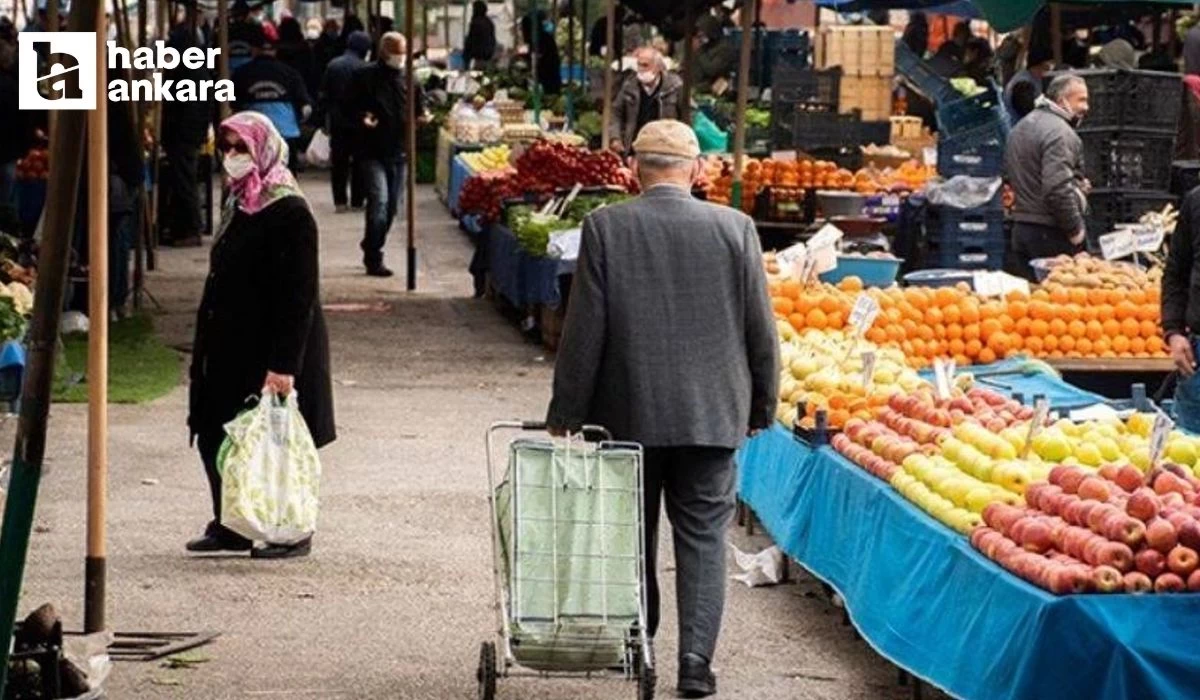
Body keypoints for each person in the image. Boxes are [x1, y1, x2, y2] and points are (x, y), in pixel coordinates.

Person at [545, 119, 778, 700]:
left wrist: (567, 409)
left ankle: (639, 644)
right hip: (712, 415)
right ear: (698, 170)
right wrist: (762, 403)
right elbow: (761, 329)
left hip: (627, 412)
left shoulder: (605, 226)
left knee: (632, 533)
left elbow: (584, 330)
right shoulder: (737, 229)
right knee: (702, 540)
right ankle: (695, 663)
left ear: (633, 171)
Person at [187, 112, 335, 559]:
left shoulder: (288, 209)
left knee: (274, 442)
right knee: (219, 431)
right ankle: (232, 522)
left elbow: (299, 295)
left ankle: (290, 529)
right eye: (226, 148)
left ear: (264, 151)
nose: (231, 158)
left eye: (241, 149)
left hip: (271, 345)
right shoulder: (239, 201)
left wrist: (284, 365)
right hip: (230, 340)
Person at [346, 31, 425, 277]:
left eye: (403, 53)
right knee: (379, 202)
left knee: (391, 208)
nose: (399, 58)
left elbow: (419, 110)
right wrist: (363, 118)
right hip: (371, 151)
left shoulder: (411, 80)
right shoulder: (364, 77)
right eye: (395, 53)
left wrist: (421, 119)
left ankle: (371, 243)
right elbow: (348, 107)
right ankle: (374, 255)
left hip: (399, 151)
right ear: (383, 52)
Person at [1003, 74, 1090, 281]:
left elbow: (1018, 175)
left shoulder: (1021, 127)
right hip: (1050, 232)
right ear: (1062, 101)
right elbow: (1056, 189)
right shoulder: (1061, 133)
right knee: (1056, 304)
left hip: (1022, 228)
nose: (1087, 107)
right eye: (1082, 100)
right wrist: (1075, 230)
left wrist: (1076, 186)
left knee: (1030, 305)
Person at [232, 23, 312, 172]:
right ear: (275, 51)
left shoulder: (241, 73)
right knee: (286, 177)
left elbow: (233, 104)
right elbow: (306, 107)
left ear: (254, 50)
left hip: (254, 134)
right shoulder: (291, 73)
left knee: (256, 175)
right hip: (286, 132)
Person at [160, 23, 212, 247]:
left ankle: (190, 229)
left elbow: (183, 104)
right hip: (191, 131)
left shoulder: (185, 68)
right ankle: (183, 226)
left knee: (184, 180)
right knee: (184, 178)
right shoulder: (196, 66)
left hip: (183, 132)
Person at [320, 30, 371, 212]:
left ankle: (340, 201)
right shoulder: (366, 68)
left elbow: (324, 95)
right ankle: (357, 200)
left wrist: (324, 121)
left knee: (339, 163)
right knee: (359, 163)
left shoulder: (333, 65)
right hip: (360, 123)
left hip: (338, 122)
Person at [1163, 187, 1200, 432]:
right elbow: (1176, 273)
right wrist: (1174, 331)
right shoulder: (1196, 201)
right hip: (1198, 354)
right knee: (1190, 455)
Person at [609, 47, 685, 153]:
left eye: (645, 65)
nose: (641, 69)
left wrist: (680, 140)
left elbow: (689, 113)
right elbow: (615, 111)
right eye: (639, 65)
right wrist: (615, 137)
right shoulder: (629, 85)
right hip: (635, 146)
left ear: (658, 67)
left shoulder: (674, 86)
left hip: (665, 147)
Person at [1004, 46, 1054, 122]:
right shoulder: (1023, 84)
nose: (1049, 71)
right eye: (1046, 68)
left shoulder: (1033, 76)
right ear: (1038, 65)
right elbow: (1027, 112)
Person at [277, 16, 320, 100]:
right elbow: (312, 70)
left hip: (283, 89)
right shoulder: (304, 48)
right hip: (304, 87)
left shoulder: (279, 49)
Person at [520, 11, 562, 96]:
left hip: (549, 86)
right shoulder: (534, 41)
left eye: (524, 29)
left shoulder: (544, 41)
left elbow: (544, 63)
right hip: (541, 84)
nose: (523, 33)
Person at [693, 14, 736, 92]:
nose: (699, 34)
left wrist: (699, 51)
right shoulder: (706, 46)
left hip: (711, 88)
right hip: (696, 85)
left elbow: (711, 70)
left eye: (702, 31)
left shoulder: (725, 48)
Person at [462, 1, 496, 70]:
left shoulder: (476, 22)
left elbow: (471, 41)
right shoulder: (488, 22)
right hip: (488, 56)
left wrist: (466, 58)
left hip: (479, 57)